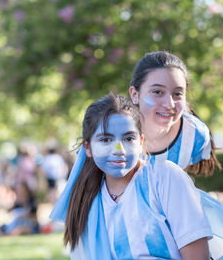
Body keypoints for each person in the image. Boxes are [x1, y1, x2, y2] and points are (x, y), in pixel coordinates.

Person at [51, 51, 223, 259]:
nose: (169, 104)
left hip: (172, 204)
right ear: (134, 94)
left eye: (177, 94)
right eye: (157, 92)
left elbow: (181, 179)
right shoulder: (115, 123)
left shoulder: (193, 136)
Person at [56, 94, 212, 259]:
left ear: (141, 141)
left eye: (129, 138)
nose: (119, 149)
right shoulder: (86, 201)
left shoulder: (164, 177)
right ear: (88, 148)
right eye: (106, 139)